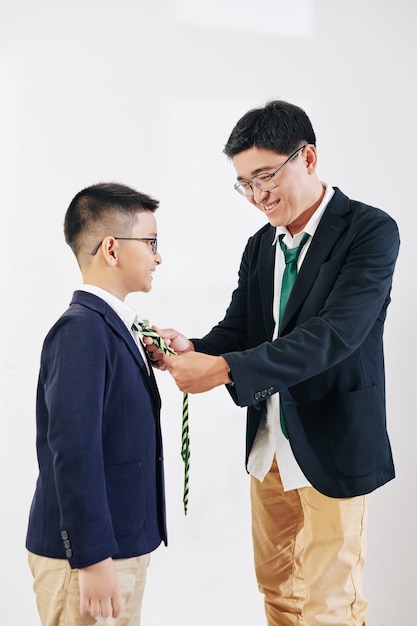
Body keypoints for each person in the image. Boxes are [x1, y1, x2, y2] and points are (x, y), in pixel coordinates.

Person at [144, 101, 400, 626]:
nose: (258, 196)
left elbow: (336, 335)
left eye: (265, 176)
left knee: (331, 603)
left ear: (307, 158)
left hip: (333, 441)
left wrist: (225, 371)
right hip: (269, 445)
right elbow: (239, 330)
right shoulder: (260, 245)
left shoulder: (370, 231)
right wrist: (192, 350)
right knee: (278, 589)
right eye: (245, 184)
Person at [26, 182, 167, 626]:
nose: (158, 256)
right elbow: (73, 450)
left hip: (119, 545)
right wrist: (91, 557)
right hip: (91, 554)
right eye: (151, 242)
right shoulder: (82, 331)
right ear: (111, 248)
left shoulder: (110, 327)